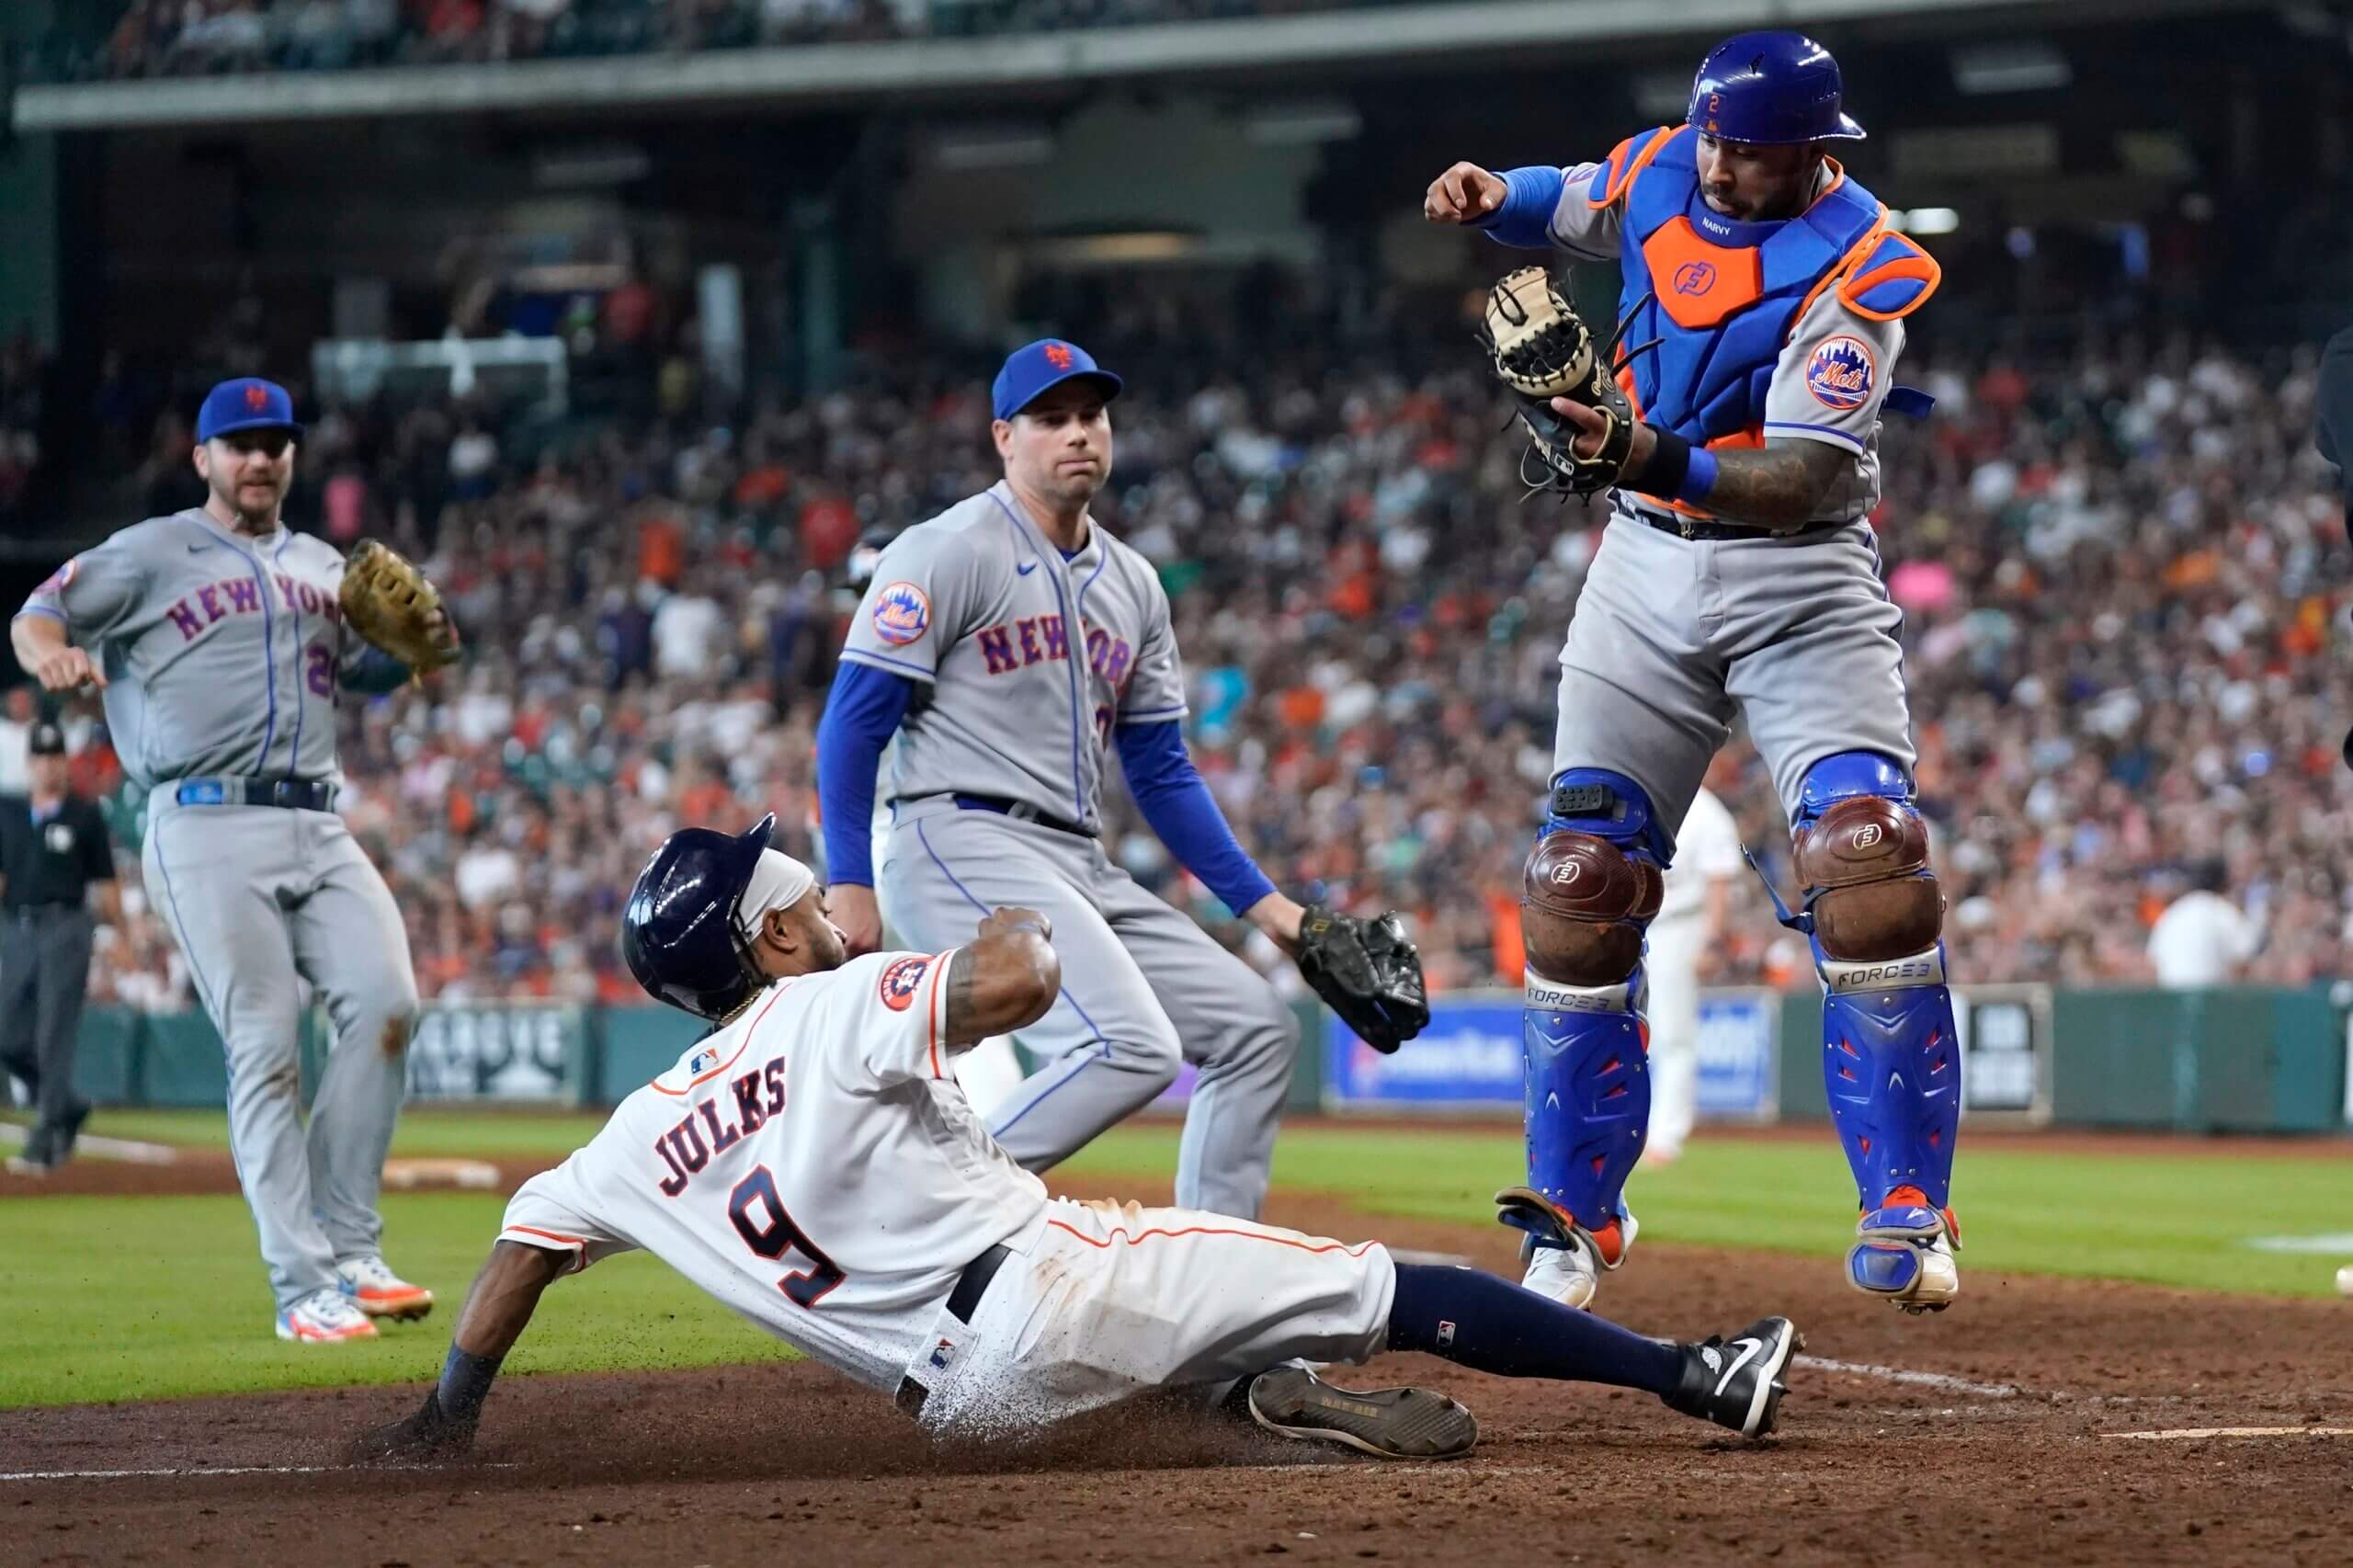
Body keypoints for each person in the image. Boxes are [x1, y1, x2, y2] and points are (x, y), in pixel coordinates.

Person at [353, 816, 1801, 1463]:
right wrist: (1019, 893)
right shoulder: (837, 998)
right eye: (785, 883)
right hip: (1048, 1290)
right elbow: (1027, 979)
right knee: (1392, 1284)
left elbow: (518, 1259)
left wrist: (449, 1415)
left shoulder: (626, 1138)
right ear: (771, 929)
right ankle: (1697, 1377)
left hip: (960, 1412)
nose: (803, 887)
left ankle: (1248, 1405)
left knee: (1173, 1326)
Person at [1424, 30, 1962, 1313]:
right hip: (1644, 565)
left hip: (1799, 569)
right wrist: (1493, 194)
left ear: (1812, 155)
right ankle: (1573, 1217)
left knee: (1868, 861)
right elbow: (1569, 197)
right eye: (1717, 140)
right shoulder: (1665, 166)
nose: (1725, 168)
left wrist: (1645, 452)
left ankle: (1907, 1205)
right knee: (1578, 877)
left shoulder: (1863, 258)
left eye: (1755, 152)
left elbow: (1813, 472)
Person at [814, 339, 1391, 1220]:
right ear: (1005, 438)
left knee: (1256, 1031)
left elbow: (1160, 772)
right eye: (1052, 419)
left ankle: (1217, 1302)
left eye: (1091, 415)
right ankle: (913, 1214)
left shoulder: (1134, 584)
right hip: (958, 835)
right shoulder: (945, 550)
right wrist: (851, 881)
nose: (1078, 433)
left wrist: (1275, 913)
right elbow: (854, 724)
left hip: (1077, 861)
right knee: (1132, 1047)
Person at [8, 376, 460, 1341]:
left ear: (291, 457)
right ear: (203, 457)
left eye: (275, 441)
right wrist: (49, 652)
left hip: (316, 816)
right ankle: (302, 1289)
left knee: (387, 1006)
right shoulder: (150, 550)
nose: (260, 457)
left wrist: (418, 654)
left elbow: (373, 664)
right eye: (240, 441)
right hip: (202, 820)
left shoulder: (321, 561)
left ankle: (350, 1246)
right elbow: (37, 614)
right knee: (265, 1043)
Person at [0, 722, 119, 1175]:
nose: (48, 765)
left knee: (54, 1033)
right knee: (7, 1033)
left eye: (55, 757)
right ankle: (64, 1103)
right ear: (30, 763)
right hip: (17, 925)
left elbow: (106, 887)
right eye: (41, 757)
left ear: (62, 762)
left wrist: (120, 937)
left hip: (66, 925)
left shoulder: (84, 815)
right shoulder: (8, 813)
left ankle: (47, 1137)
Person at [1642, 774, 1745, 1167]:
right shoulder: (1652, 797)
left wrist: (1712, 940)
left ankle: (1666, 1135)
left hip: (1682, 925)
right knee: (1636, 1033)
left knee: (1673, 1036)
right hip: (1641, 925)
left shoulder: (1707, 812)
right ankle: (1633, 1132)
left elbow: (1718, 879)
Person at [2145, 861, 2261, 989]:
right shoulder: (2222, 910)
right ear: (2224, 884)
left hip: (2172, 1000)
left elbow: (2152, 963)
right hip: (2210, 999)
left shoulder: (2173, 912)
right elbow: (2244, 961)